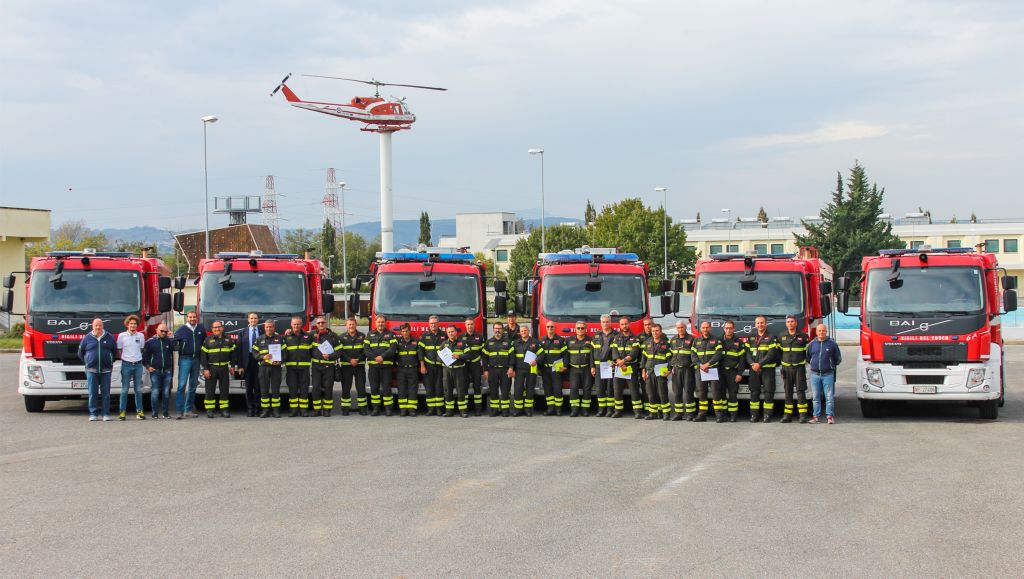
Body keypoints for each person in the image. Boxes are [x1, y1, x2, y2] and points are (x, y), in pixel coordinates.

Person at [78, 318, 117, 421]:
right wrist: (88, 362)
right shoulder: (87, 338)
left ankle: (106, 414)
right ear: (92, 326)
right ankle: (93, 414)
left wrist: (109, 361)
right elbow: (80, 353)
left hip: (106, 370)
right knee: (92, 393)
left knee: (106, 394)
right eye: (96, 325)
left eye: (99, 325)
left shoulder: (109, 337)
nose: (98, 327)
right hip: (91, 370)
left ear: (102, 326)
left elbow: (114, 351)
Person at [745, 315, 780, 423]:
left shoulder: (771, 337)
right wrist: (752, 363)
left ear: (766, 323)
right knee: (754, 392)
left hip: (767, 370)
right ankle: (754, 416)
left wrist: (759, 364)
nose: (760, 325)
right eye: (758, 323)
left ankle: (767, 415)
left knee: (768, 392)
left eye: (762, 323)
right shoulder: (751, 337)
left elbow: (771, 354)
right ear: (755, 324)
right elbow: (747, 353)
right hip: (754, 369)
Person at [173, 311, 207, 418]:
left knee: (193, 386)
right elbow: (174, 341)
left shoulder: (201, 329)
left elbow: (204, 342)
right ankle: (179, 411)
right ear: (187, 318)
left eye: (194, 317)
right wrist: (180, 349)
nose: (192, 319)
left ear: (196, 317)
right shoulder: (181, 330)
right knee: (182, 386)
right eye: (190, 317)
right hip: (185, 359)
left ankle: (188, 410)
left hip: (196, 359)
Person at [777, 314, 811, 423]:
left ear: (796, 323)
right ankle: (787, 415)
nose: (790, 323)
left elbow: (808, 352)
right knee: (788, 392)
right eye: (788, 322)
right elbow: (778, 352)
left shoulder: (803, 336)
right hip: (786, 369)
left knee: (801, 391)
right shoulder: (781, 336)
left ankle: (802, 415)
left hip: (799, 368)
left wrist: (804, 363)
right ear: (786, 324)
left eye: (792, 321)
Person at [200, 320, 237, 418]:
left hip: (224, 368)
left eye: (218, 327)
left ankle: (224, 410)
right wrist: (205, 369)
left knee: (224, 390)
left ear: (222, 328)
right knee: (210, 390)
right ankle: (210, 410)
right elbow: (203, 356)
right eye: (215, 327)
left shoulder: (228, 340)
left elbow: (233, 354)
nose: (217, 329)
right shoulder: (208, 340)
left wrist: (232, 366)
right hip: (211, 368)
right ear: (212, 329)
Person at [807, 323, 841, 424]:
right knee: (816, 397)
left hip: (828, 374)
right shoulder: (812, 344)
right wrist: (815, 365)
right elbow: (808, 357)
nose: (821, 332)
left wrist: (830, 366)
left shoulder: (832, 344)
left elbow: (838, 359)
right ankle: (816, 416)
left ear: (826, 332)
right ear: (816, 332)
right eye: (819, 331)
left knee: (829, 397)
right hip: (814, 374)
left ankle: (829, 416)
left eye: (823, 331)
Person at [364, 315, 397, 416]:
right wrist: (376, 358)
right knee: (374, 388)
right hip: (373, 367)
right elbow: (366, 350)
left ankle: (388, 409)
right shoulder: (369, 335)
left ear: (385, 323)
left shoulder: (391, 335)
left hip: (386, 367)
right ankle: (375, 408)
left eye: (382, 322)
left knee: (387, 388)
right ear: (375, 323)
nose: (380, 324)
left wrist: (382, 357)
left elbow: (392, 349)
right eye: (379, 322)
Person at [310, 316, 343, 416]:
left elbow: (340, 350)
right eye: (319, 323)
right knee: (315, 388)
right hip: (316, 366)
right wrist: (288, 332)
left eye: (323, 322)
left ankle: (327, 410)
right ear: (316, 325)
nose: (321, 324)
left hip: (329, 367)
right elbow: (301, 335)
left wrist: (330, 356)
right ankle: (317, 410)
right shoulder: (311, 335)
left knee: (328, 388)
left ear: (326, 323)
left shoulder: (333, 336)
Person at [116, 314, 147, 420]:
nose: (133, 325)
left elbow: (141, 349)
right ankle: (122, 412)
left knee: (138, 389)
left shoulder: (141, 336)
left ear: (137, 325)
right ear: (127, 325)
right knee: (125, 389)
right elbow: (119, 350)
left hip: (138, 365)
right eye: (131, 324)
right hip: (126, 365)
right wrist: (125, 359)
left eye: (134, 324)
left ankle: (139, 412)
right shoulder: (121, 336)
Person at [282, 316, 314, 417]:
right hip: (291, 369)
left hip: (304, 369)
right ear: (291, 325)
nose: (296, 326)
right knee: (293, 390)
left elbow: (313, 350)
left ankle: (304, 410)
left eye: (298, 324)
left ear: (301, 324)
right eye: (294, 324)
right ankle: (293, 410)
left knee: (304, 390)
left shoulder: (308, 336)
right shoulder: (286, 337)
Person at [691, 321, 722, 422]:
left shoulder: (716, 340)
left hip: (712, 369)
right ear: (700, 329)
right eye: (703, 328)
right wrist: (701, 365)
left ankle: (719, 415)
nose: (705, 329)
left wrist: (707, 364)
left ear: (710, 328)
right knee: (702, 393)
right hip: (700, 370)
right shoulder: (696, 341)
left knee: (716, 393)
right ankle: (702, 415)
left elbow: (718, 354)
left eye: (707, 327)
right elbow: (693, 355)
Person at [253, 319, 284, 417]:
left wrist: (280, 361)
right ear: (264, 327)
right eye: (267, 327)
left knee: (275, 389)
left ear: (274, 327)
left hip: (276, 368)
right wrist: (262, 357)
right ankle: (265, 410)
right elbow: (254, 353)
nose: (269, 328)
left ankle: (276, 411)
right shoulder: (259, 339)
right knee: (264, 390)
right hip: (263, 368)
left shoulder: (280, 339)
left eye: (271, 326)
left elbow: (285, 353)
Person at [482, 323, 515, 417]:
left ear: (503, 330)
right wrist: (485, 370)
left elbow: (512, 356)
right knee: (493, 391)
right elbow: (484, 358)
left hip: (505, 370)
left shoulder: (508, 342)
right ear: (493, 330)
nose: (497, 330)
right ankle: (494, 410)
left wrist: (511, 367)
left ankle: (505, 410)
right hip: (492, 370)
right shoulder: (488, 343)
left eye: (499, 329)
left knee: (505, 391)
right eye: (496, 328)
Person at [611, 317, 642, 418]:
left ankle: (637, 412)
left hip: (631, 366)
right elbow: (614, 352)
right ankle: (618, 411)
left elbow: (634, 353)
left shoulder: (635, 338)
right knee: (617, 390)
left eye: (626, 324)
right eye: (622, 324)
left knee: (634, 389)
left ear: (629, 324)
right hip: (619, 367)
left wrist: (623, 361)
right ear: (620, 326)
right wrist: (619, 361)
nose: (624, 326)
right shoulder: (616, 338)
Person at [143, 323, 175, 419]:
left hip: (167, 371)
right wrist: (148, 366)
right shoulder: (149, 342)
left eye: (166, 331)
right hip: (155, 371)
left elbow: (176, 348)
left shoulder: (168, 341)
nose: (164, 333)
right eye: (162, 331)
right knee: (155, 391)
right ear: (156, 330)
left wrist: (172, 337)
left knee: (166, 392)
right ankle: (155, 413)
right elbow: (145, 357)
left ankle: (165, 413)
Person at [718, 321, 747, 423]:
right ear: (724, 329)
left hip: (732, 372)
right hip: (720, 372)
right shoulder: (718, 341)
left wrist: (739, 373)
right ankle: (723, 415)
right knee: (721, 394)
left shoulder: (739, 342)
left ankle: (733, 415)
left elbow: (742, 360)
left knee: (732, 394)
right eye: (726, 328)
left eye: (730, 328)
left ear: (734, 329)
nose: (728, 330)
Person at [338, 318, 368, 415]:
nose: (351, 326)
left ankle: (362, 408)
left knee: (361, 388)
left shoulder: (362, 336)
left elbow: (365, 351)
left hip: (359, 366)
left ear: (356, 325)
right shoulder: (342, 337)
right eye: (349, 325)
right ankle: (345, 409)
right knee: (346, 388)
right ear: (346, 326)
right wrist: (350, 360)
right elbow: (340, 352)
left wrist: (358, 360)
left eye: (353, 324)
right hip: (346, 366)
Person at [641, 323, 671, 420]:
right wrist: (643, 372)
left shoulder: (666, 345)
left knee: (662, 393)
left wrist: (669, 371)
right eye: (653, 331)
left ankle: (666, 413)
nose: (655, 333)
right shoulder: (647, 343)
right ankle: (653, 413)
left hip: (661, 372)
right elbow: (643, 359)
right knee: (651, 393)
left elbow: (671, 360)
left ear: (660, 332)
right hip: (649, 372)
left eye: (657, 331)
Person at [418, 315, 446, 416]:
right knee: (429, 389)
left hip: (440, 367)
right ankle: (431, 409)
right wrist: (422, 366)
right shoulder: (424, 336)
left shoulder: (444, 335)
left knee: (439, 388)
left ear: (438, 324)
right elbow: (420, 352)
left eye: (435, 323)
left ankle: (439, 409)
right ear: (429, 325)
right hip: (428, 367)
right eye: (431, 323)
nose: (433, 325)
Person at [512, 325, 542, 416]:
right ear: (519, 332)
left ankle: (528, 410)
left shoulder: (535, 342)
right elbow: (512, 357)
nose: (523, 332)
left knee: (529, 389)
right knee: (518, 389)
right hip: (519, 370)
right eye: (522, 331)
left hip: (531, 370)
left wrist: (536, 361)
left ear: (529, 331)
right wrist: (512, 368)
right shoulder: (515, 343)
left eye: (525, 330)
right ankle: (518, 410)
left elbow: (542, 354)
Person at [538, 322, 568, 415]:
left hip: (556, 369)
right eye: (548, 326)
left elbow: (565, 355)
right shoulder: (542, 340)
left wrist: (565, 366)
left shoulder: (561, 340)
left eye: (552, 326)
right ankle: (551, 408)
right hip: (545, 369)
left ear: (555, 328)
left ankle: (558, 409)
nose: (550, 328)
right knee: (547, 389)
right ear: (546, 328)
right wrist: (538, 368)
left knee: (557, 389)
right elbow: (539, 355)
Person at [237, 312, 263, 417]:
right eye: (251, 318)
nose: (253, 320)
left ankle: (257, 408)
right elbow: (239, 351)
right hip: (247, 362)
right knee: (248, 387)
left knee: (258, 386)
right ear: (248, 319)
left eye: (255, 318)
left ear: (258, 320)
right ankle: (249, 408)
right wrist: (240, 366)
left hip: (259, 361)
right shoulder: (242, 333)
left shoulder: (262, 332)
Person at [669, 320, 696, 421]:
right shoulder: (673, 339)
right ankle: (678, 413)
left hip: (688, 369)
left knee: (688, 391)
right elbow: (670, 355)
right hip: (676, 369)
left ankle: (690, 414)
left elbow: (695, 354)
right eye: (678, 328)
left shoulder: (692, 339)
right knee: (677, 392)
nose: (680, 329)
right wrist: (670, 367)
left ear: (685, 327)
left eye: (682, 327)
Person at [591, 314, 617, 417]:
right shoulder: (596, 335)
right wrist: (592, 366)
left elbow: (618, 351)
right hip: (598, 367)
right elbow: (591, 353)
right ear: (600, 323)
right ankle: (601, 410)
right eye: (603, 322)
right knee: (600, 389)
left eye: (607, 322)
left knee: (610, 389)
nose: (605, 324)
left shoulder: (616, 335)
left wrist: (615, 362)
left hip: (610, 365)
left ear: (610, 322)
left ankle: (610, 410)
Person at [566, 321, 593, 417]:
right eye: (578, 328)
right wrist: (565, 366)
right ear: (575, 329)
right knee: (574, 389)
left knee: (587, 389)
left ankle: (585, 410)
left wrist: (592, 367)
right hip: (574, 369)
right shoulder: (569, 340)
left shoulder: (590, 340)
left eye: (582, 328)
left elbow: (592, 356)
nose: (580, 330)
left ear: (585, 329)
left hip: (586, 368)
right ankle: (574, 410)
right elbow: (566, 355)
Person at [440, 325, 469, 417]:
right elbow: (438, 357)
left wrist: (459, 356)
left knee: (461, 390)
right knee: (447, 391)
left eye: (452, 331)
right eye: (449, 332)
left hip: (459, 370)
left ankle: (463, 411)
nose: (450, 333)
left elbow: (469, 355)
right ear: (447, 333)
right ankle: (449, 411)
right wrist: (444, 358)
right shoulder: (443, 344)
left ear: (456, 332)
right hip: (447, 370)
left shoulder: (462, 343)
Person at [460, 318, 486, 415]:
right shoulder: (461, 337)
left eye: (471, 324)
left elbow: (483, 353)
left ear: (474, 325)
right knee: (464, 386)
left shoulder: (479, 337)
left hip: (476, 365)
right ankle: (464, 409)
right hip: (465, 365)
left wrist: (484, 366)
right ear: (465, 325)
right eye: (468, 324)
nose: (470, 326)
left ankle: (478, 409)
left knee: (477, 386)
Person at [394, 323, 421, 417]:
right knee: (401, 390)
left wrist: (421, 366)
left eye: (406, 331)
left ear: (410, 331)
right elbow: (393, 354)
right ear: (401, 332)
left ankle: (412, 410)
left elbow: (420, 355)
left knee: (412, 390)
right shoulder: (397, 342)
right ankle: (403, 410)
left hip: (413, 369)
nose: (405, 333)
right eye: (403, 331)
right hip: (401, 369)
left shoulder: (416, 341)